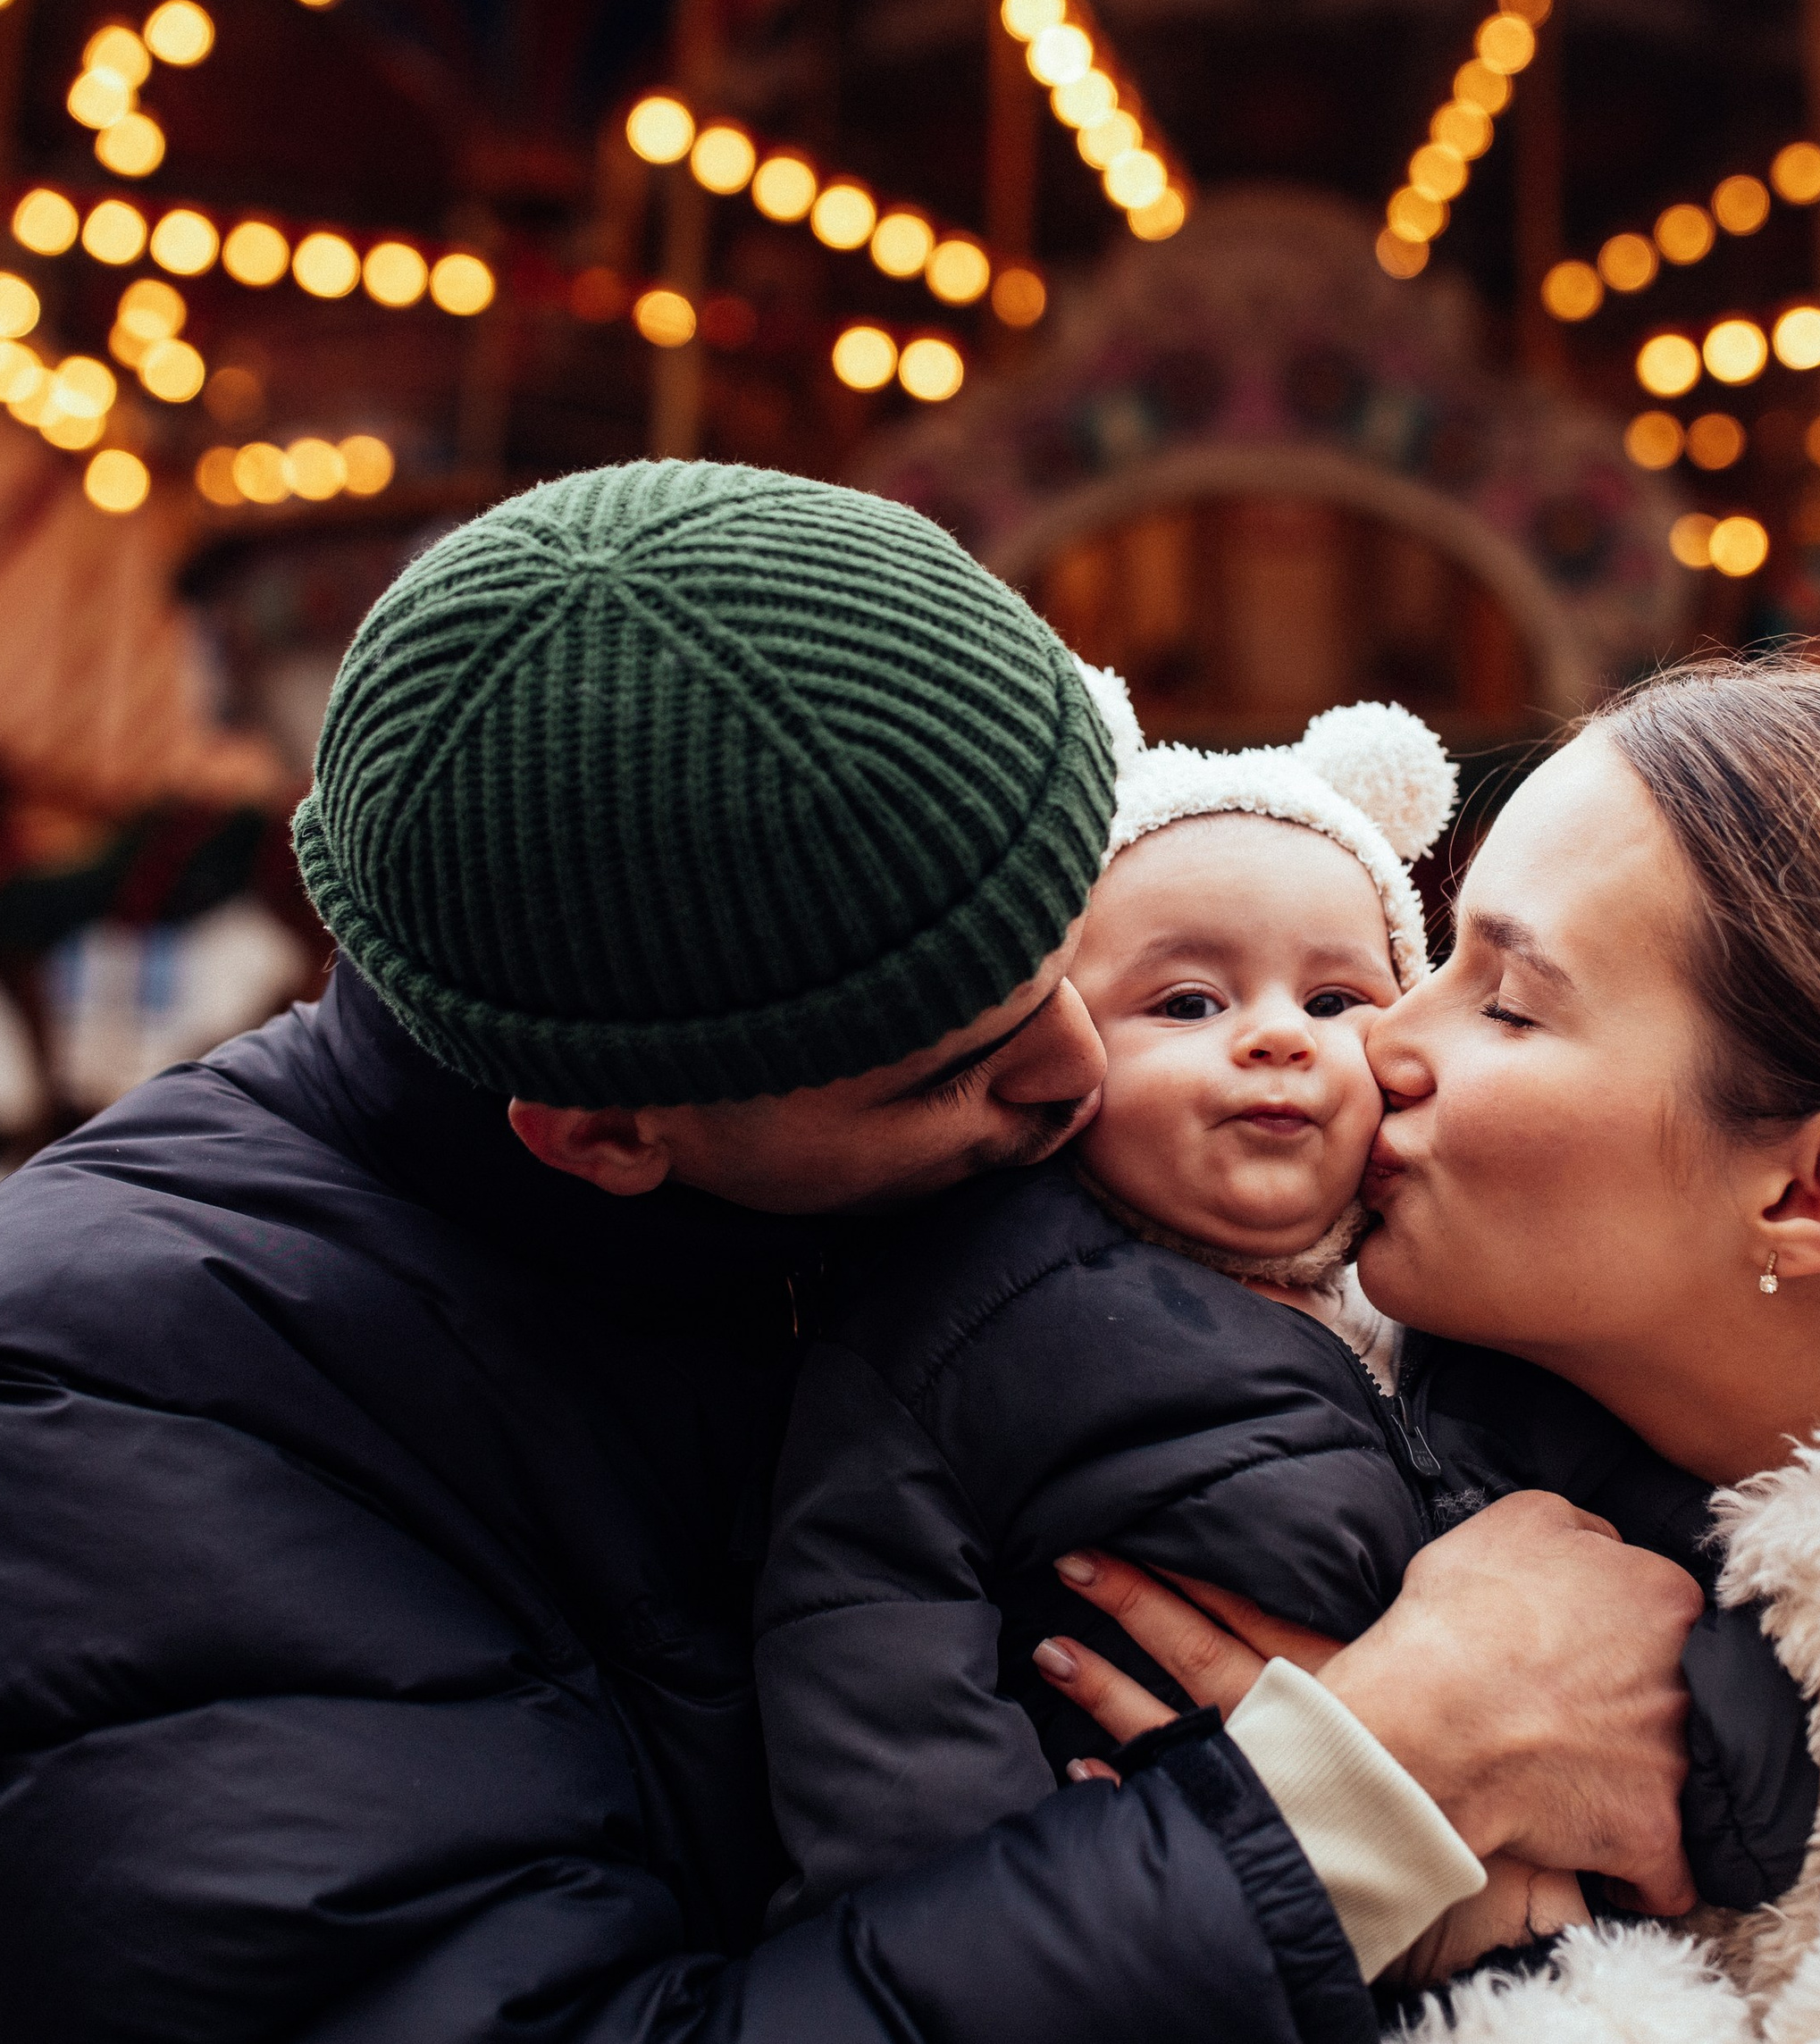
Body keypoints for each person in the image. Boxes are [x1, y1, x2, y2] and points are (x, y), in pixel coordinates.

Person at [0, 460, 1705, 2044]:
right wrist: (1376, 1798)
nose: (1077, 1070)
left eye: (1070, 965)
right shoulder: (107, 1414)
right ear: (601, 1134)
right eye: (955, 1065)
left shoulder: (901, 1200)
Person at [1042, 658, 1820, 2043]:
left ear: (1813, 1193)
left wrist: (1459, 1932)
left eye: (1507, 1003)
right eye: (1439, 956)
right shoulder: (1353, 1382)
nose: (1380, 1036)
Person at [756, 679, 1816, 1963]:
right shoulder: (955, 1322)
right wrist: (1079, 1898)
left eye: (1336, 1002)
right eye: (1189, 1005)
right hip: (1190, 1933)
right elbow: (883, 1704)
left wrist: (1709, 1789)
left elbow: (1688, 1579)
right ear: (1062, 1046)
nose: (1275, 1039)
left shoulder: (1476, 1306)